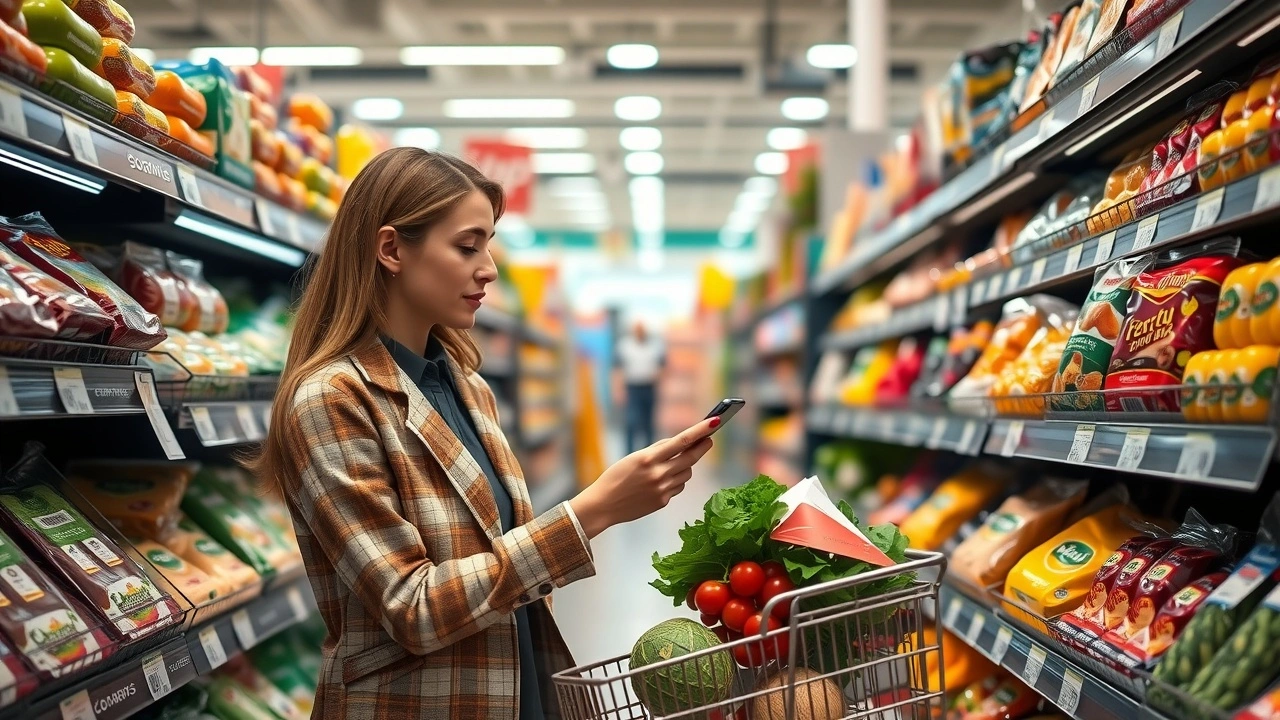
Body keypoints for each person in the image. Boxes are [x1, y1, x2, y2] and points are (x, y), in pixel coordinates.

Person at [252, 148, 718, 719]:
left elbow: (501, 563)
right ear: (392, 250)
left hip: (515, 693)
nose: (489, 268)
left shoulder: (469, 386)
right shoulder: (332, 399)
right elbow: (412, 608)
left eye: (488, 244)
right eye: (467, 246)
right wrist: (592, 512)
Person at [615, 321, 666, 454]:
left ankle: (649, 452)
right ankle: (629, 453)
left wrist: (659, 380)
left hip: (649, 386)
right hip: (632, 387)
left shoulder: (655, 346)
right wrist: (618, 389)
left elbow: (662, 366)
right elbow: (618, 369)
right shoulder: (625, 346)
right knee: (631, 421)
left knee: (648, 422)